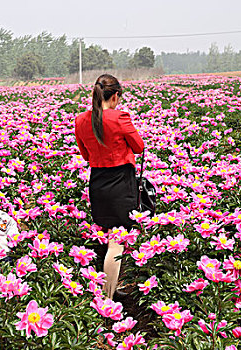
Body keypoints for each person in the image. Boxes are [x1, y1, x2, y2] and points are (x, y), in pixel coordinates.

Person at [75, 74, 144, 299]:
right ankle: (108, 299)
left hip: (98, 182)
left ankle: (111, 289)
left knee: (109, 240)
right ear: (115, 96)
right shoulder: (120, 117)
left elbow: (85, 154)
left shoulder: (81, 120)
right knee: (116, 244)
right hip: (120, 183)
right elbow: (138, 147)